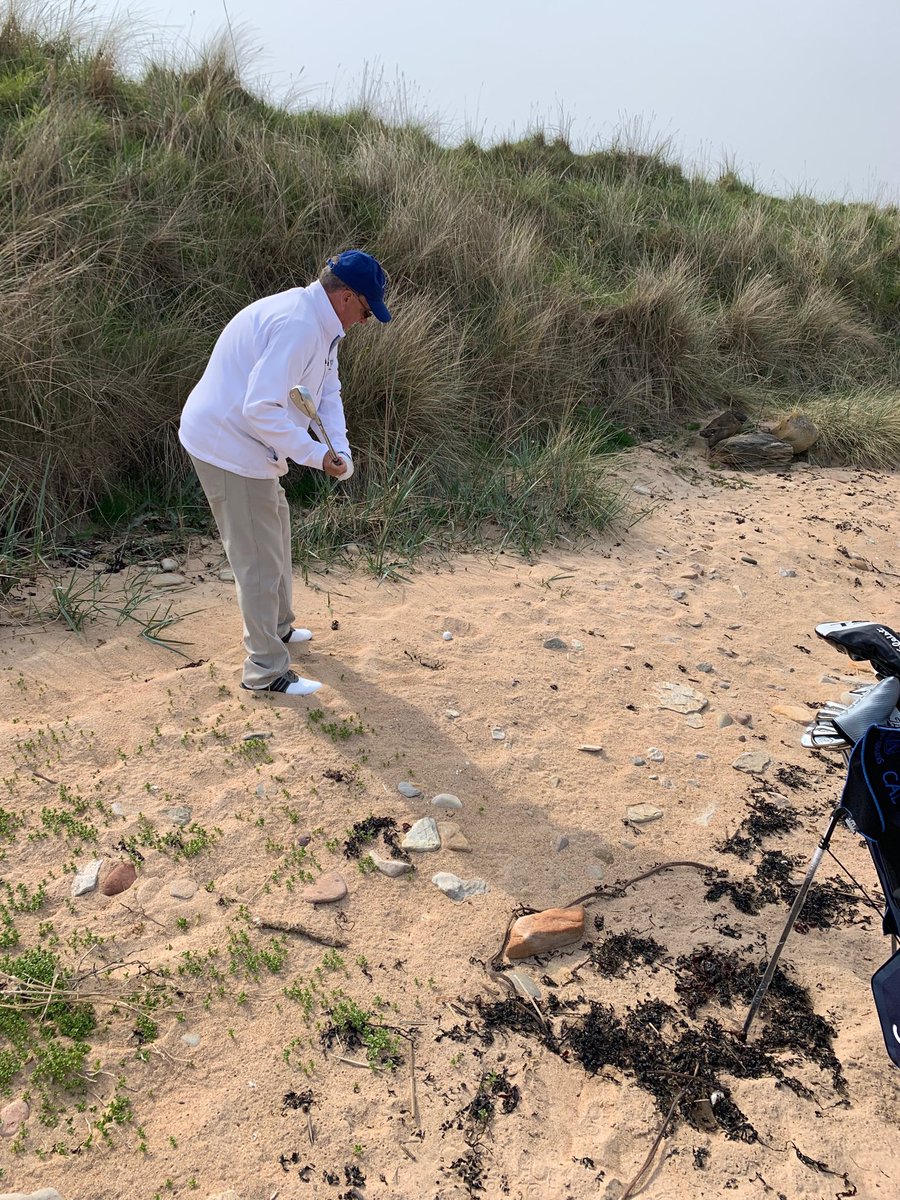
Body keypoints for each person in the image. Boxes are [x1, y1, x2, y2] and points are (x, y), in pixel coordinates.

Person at [179, 250, 391, 696]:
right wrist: (315, 455)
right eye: (366, 310)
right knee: (257, 558)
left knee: (276, 525)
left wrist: (339, 449)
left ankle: (279, 627)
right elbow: (260, 409)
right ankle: (265, 670)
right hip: (229, 444)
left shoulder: (323, 325)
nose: (365, 320)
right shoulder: (299, 325)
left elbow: (327, 391)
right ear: (346, 296)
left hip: (250, 442)